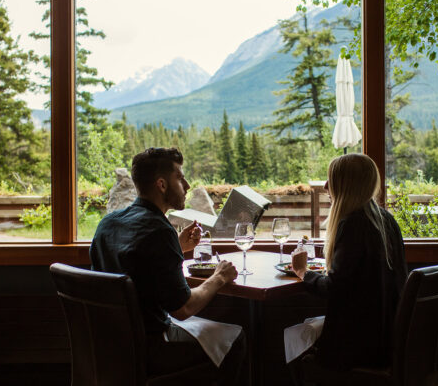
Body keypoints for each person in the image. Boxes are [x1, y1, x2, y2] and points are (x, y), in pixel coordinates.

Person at [90, 147, 247, 385]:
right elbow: (182, 309)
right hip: (152, 346)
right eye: (180, 178)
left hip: (110, 345)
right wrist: (219, 277)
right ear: (162, 185)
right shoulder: (159, 230)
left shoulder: (108, 223)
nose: (187, 185)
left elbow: (135, 264)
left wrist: (177, 246)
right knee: (236, 339)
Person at [286, 153, 408, 380]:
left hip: (359, 346)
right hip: (387, 337)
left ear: (347, 185)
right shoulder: (385, 220)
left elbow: (333, 288)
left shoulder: (352, 225)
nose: (325, 186)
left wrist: (303, 272)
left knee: (293, 337)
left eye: (332, 179)